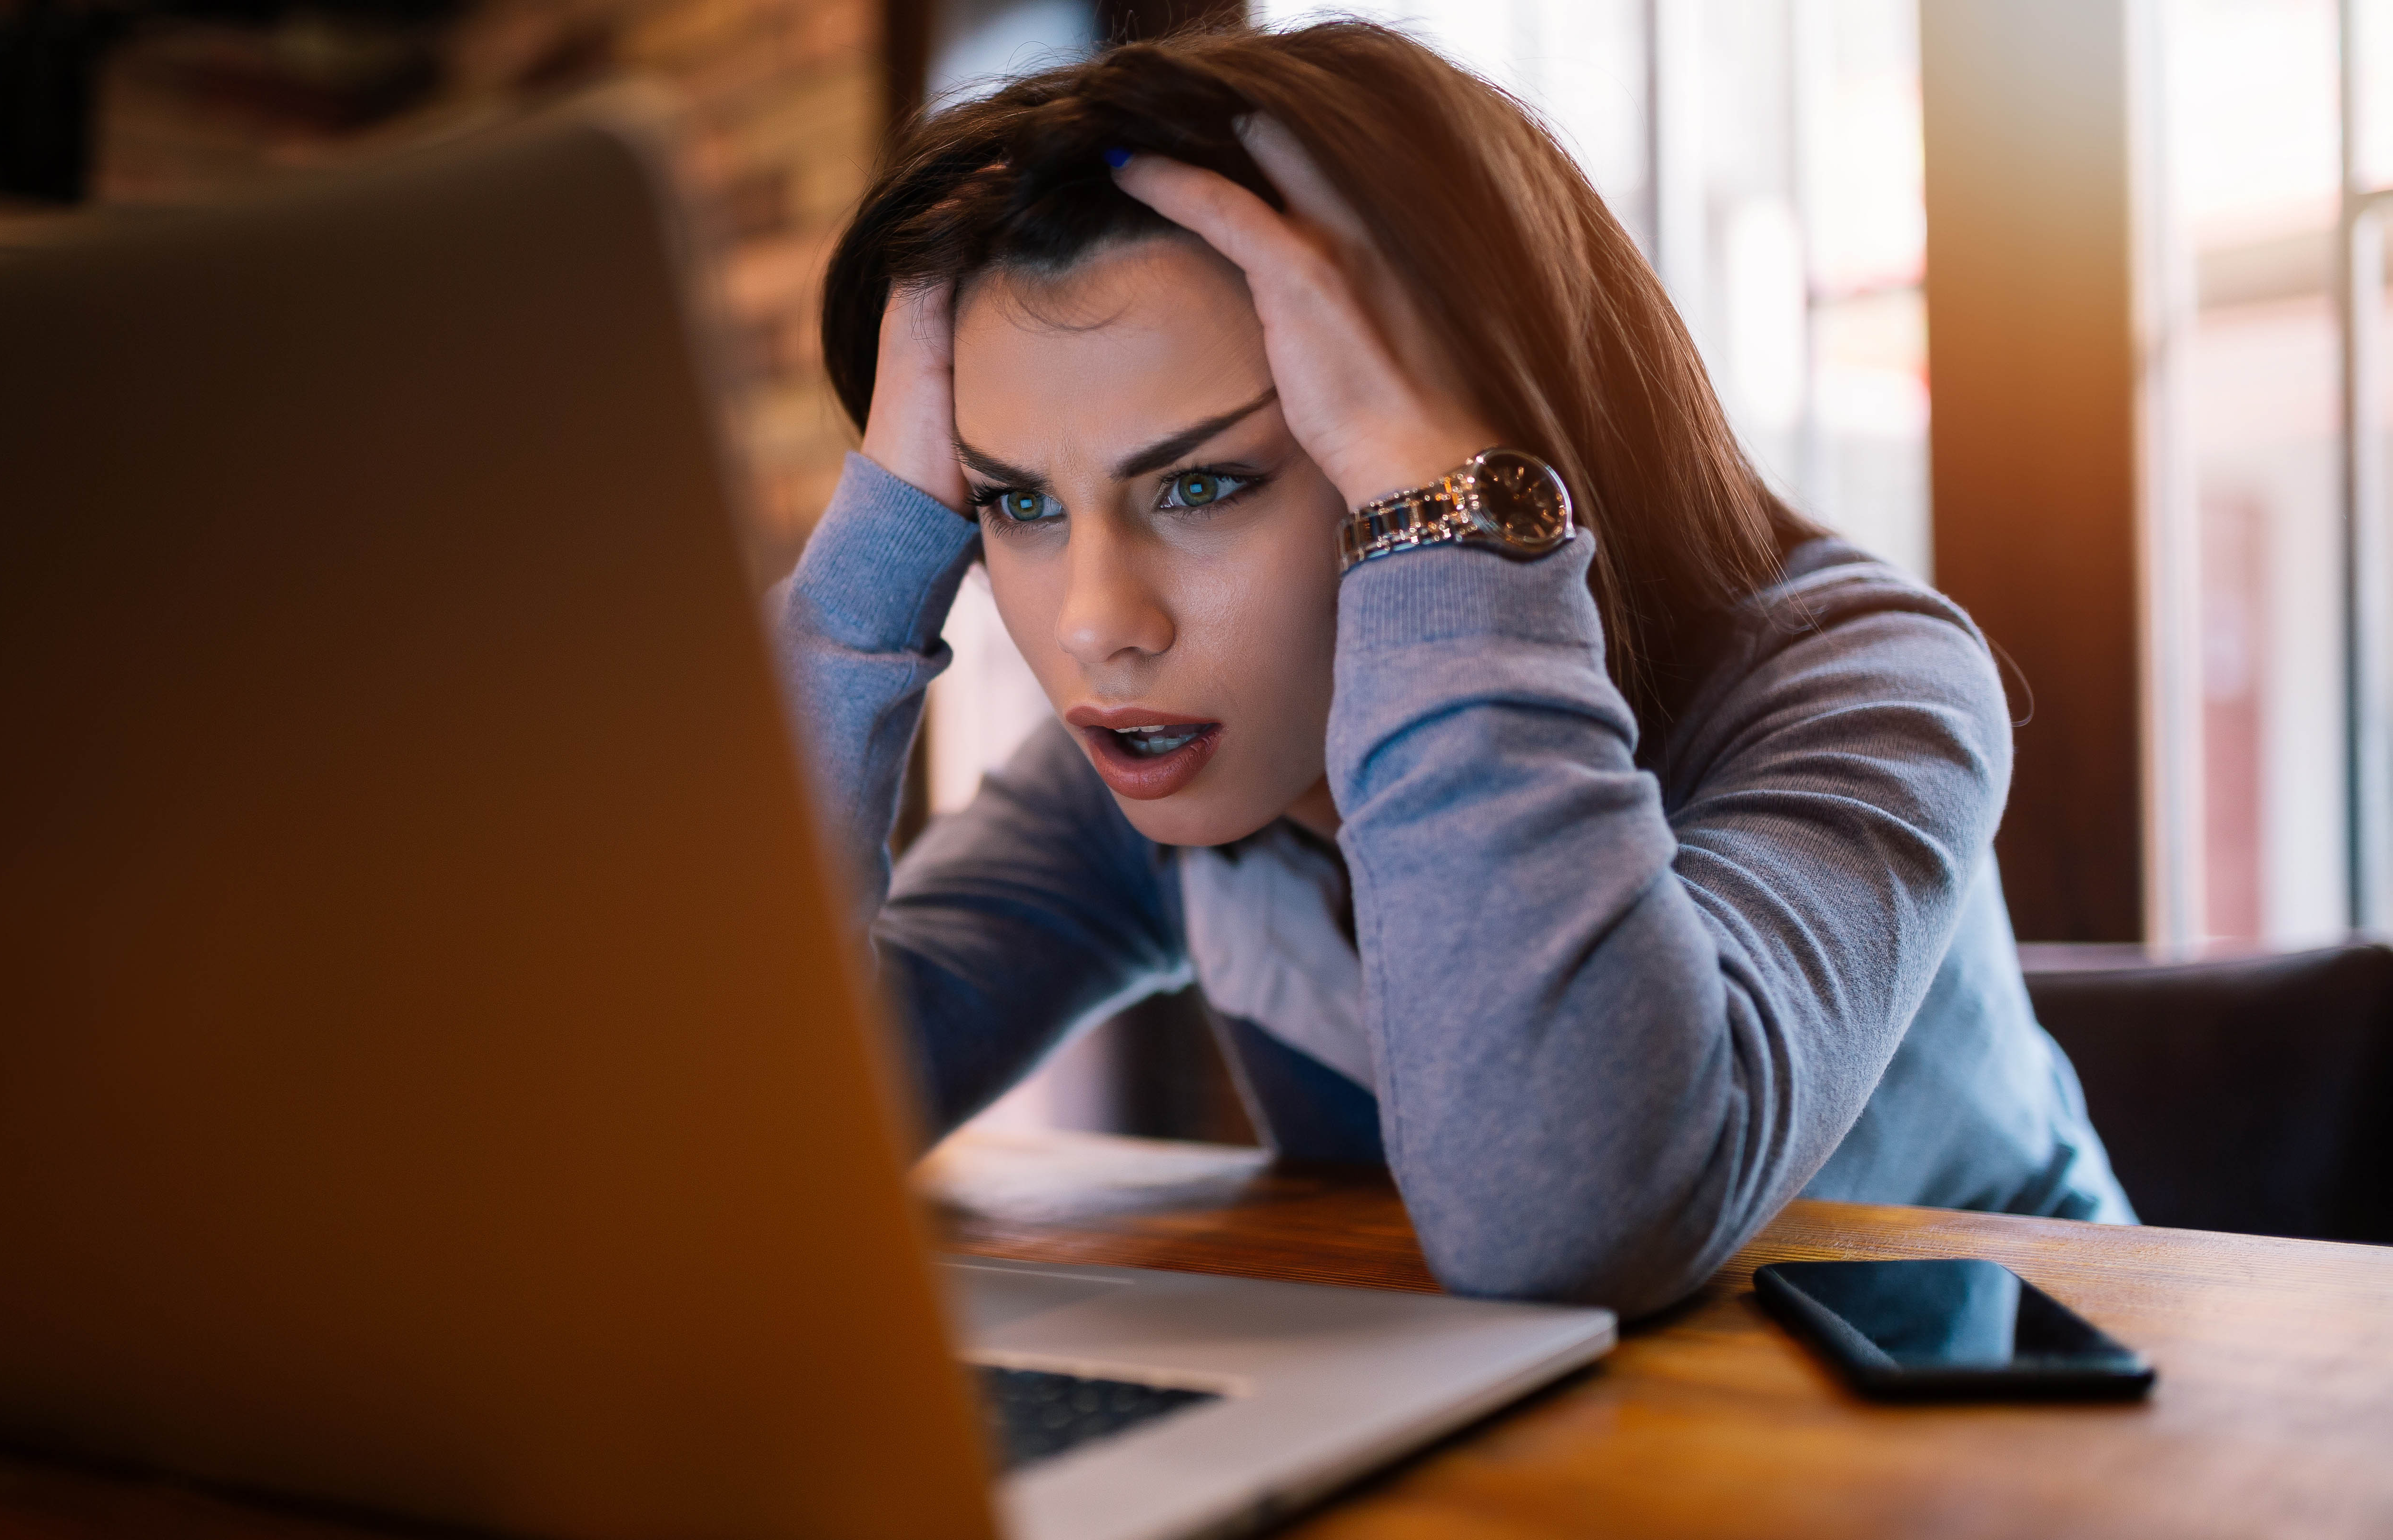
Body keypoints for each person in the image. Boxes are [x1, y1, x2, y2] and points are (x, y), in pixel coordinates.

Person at [769, 21, 2131, 1316]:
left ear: (1440, 444)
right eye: (1015, 503)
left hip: (2063, 1443)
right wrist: (876, 546)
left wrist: (1450, 509)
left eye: (1203, 484)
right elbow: (748, 1129)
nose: (1092, 623)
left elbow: (1572, 1221)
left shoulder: (1869, 683)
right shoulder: (1159, 749)